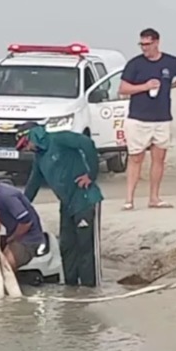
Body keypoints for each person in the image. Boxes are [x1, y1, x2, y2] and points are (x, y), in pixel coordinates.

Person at [16, 122, 104, 286]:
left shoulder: (60, 139)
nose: (26, 149)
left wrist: (91, 174)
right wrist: (20, 208)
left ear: (33, 135)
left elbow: (87, 143)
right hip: (66, 204)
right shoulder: (39, 159)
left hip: (85, 200)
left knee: (86, 246)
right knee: (67, 246)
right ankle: (71, 287)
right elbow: (32, 185)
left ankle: (91, 288)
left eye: (25, 144)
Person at [118, 27, 176, 210]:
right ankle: (129, 199)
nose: (144, 48)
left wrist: (172, 86)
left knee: (159, 158)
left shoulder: (171, 62)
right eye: (142, 44)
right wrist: (145, 86)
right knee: (136, 158)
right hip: (138, 118)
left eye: (147, 44)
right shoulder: (135, 64)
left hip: (162, 118)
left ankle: (154, 197)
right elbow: (123, 89)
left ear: (157, 42)